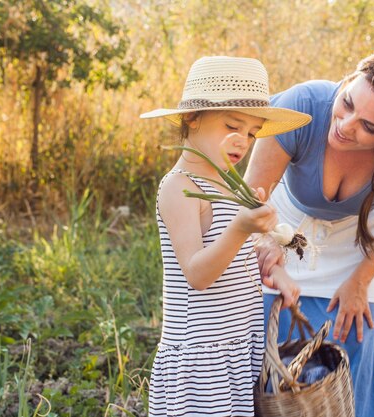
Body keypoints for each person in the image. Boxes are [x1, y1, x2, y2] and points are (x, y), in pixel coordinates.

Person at [244, 46, 374, 417]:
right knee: (279, 359)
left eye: (369, 128)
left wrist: (361, 281)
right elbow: (248, 201)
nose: (345, 125)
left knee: (346, 359)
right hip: (287, 236)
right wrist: (267, 249)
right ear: (348, 80)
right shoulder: (301, 106)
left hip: (362, 248)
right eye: (348, 102)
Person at [140, 56, 309, 417]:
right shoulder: (179, 186)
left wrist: (273, 268)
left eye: (252, 132)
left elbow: (242, 254)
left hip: (236, 347)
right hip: (201, 361)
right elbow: (198, 274)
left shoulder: (230, 183)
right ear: (192, 118)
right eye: (233, 125)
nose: (243, 141)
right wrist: (240, 228)